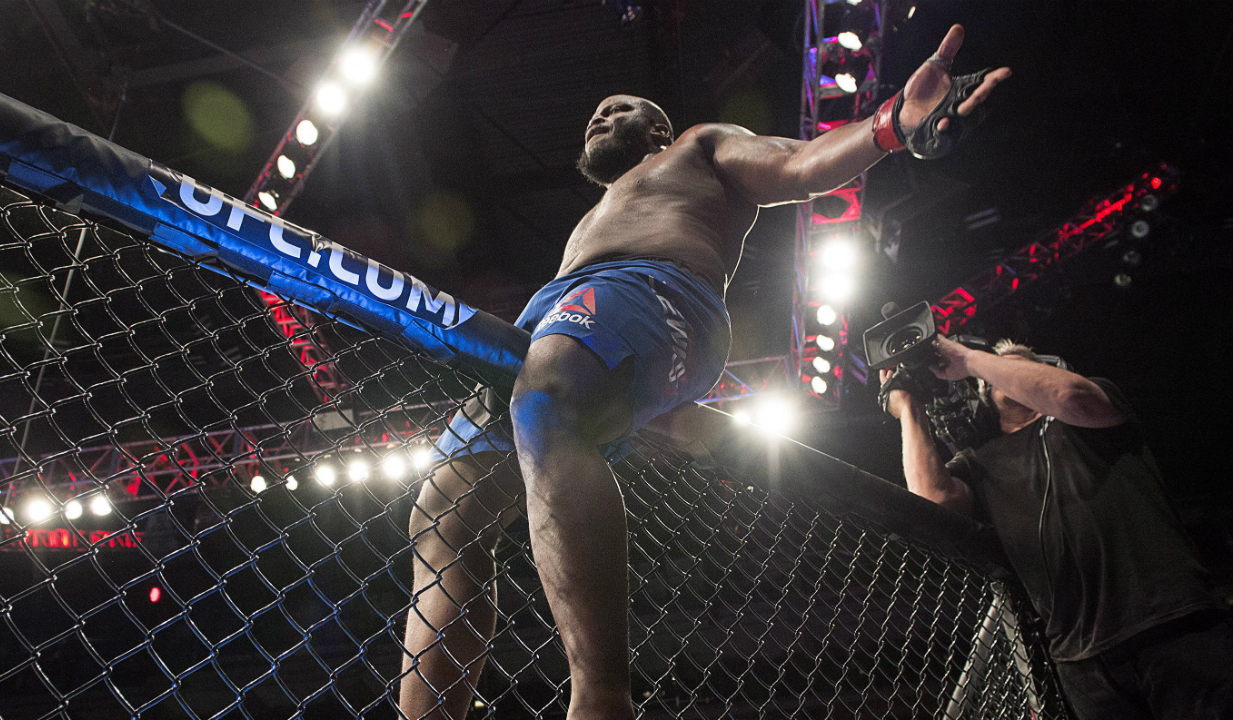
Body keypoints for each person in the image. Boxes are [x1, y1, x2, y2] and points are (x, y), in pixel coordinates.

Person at [399, 26, 1010, 720]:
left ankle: (602, 697)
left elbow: (798, 165)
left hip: (656, 291)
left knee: (547, 400)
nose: (599, 116)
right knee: (443, 513)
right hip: (560, 314)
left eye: (618, 109)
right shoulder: (601, 209)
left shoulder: (697, 146)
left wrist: (891, 123)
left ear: (656, 128)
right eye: (595, 112)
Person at [881, 336, 1233, 720]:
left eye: (1018, 366)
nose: (1008, 375)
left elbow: (1068, 396)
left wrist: (968, 359)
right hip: (1082, 662)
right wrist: (909, 406)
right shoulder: (981, 461)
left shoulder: (1089, 408)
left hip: (1173, 623)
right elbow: (932, 499)